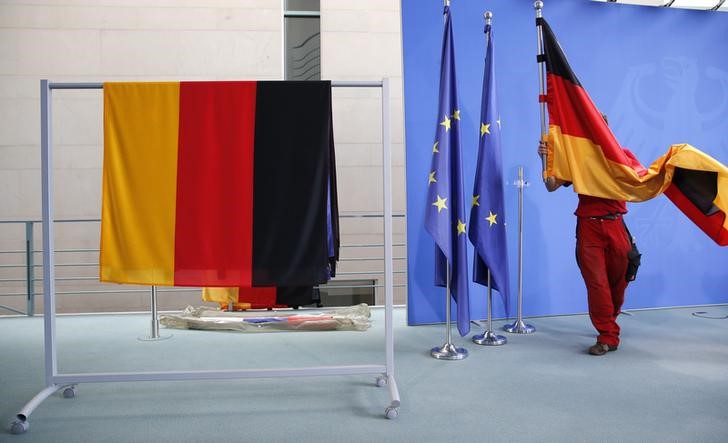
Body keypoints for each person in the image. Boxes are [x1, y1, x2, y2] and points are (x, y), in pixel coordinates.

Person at [538, 126, 632, 356]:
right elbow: (551, 185)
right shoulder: (578, 159)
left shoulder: (623, 155)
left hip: (616, 225)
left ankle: (609, 320)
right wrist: (547, 158)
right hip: (589, 226)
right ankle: (608, 335)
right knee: (597, 283)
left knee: (618, 283)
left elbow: (638, 183)